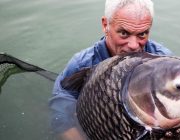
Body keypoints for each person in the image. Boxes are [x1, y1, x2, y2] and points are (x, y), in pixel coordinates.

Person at [49, 0, 173, 139]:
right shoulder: (82, 64)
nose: (133, 45)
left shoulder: (163, 60)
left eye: (142, 34)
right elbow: (60, 112)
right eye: (124, 33)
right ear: (105, 25)